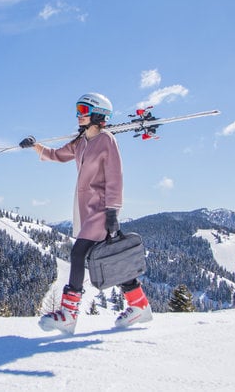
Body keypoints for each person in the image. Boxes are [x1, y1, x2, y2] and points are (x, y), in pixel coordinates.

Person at [19, 92, 153, 334]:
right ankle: (140, 305)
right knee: (110, 257)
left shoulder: (107, 140)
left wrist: (113, 210)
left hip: (101, 208)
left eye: (83, 110)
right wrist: (35, 146)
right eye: (78, 110)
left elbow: (115, 176)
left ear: (99, 114)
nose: (78, 115)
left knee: (79, 252)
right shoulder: (80, 143)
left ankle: (69, 314)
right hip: (85, 209)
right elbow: (57, 155)